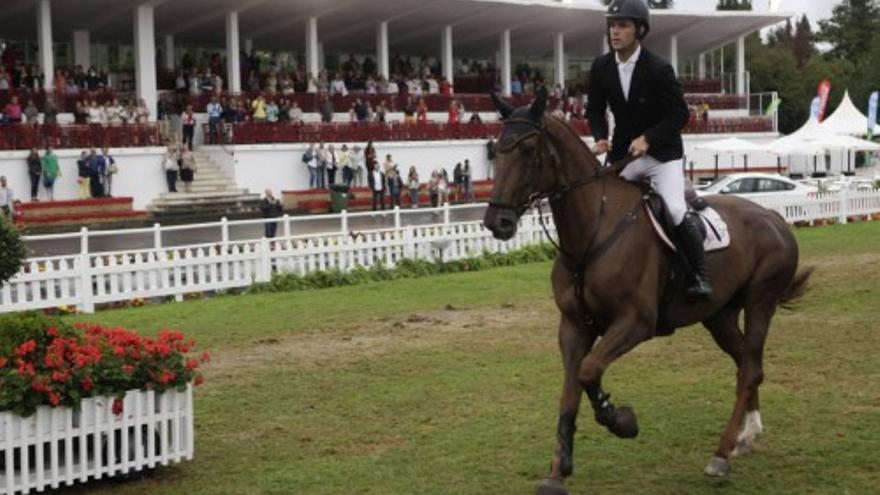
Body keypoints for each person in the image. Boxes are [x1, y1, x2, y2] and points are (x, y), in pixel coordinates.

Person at [586, 0, 709, 298]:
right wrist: (600, 136)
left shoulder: (658, 69)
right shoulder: (601, 67)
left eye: (623, 26)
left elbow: (680, 114)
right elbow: (594, 110)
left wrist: (649, 138)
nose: (615, 31)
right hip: (625, 157)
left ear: (639, 30)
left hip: (661, 155)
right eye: (612, 25)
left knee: (676, 209)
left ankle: (699, 275)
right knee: (602, 207)